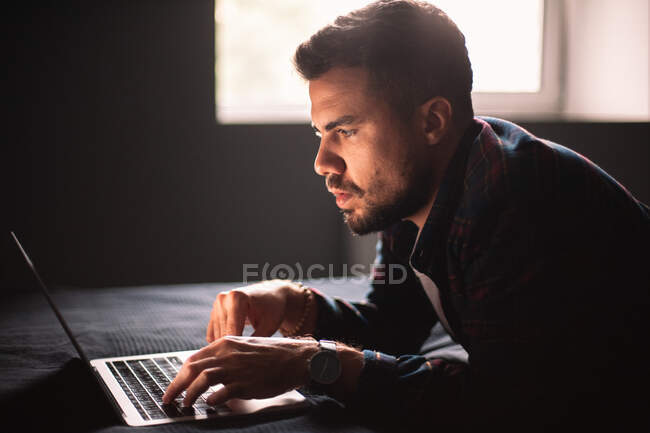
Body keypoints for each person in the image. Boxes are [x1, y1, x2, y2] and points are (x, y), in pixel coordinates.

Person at [163, 1, 649, 430]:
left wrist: (315, 362)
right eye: (321, 134)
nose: (323, 164)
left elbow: (501, 408)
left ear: (432, 121)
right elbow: (394, 323)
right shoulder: (418, 191)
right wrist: (295, 306)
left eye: (346, 131)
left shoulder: (518, 207)